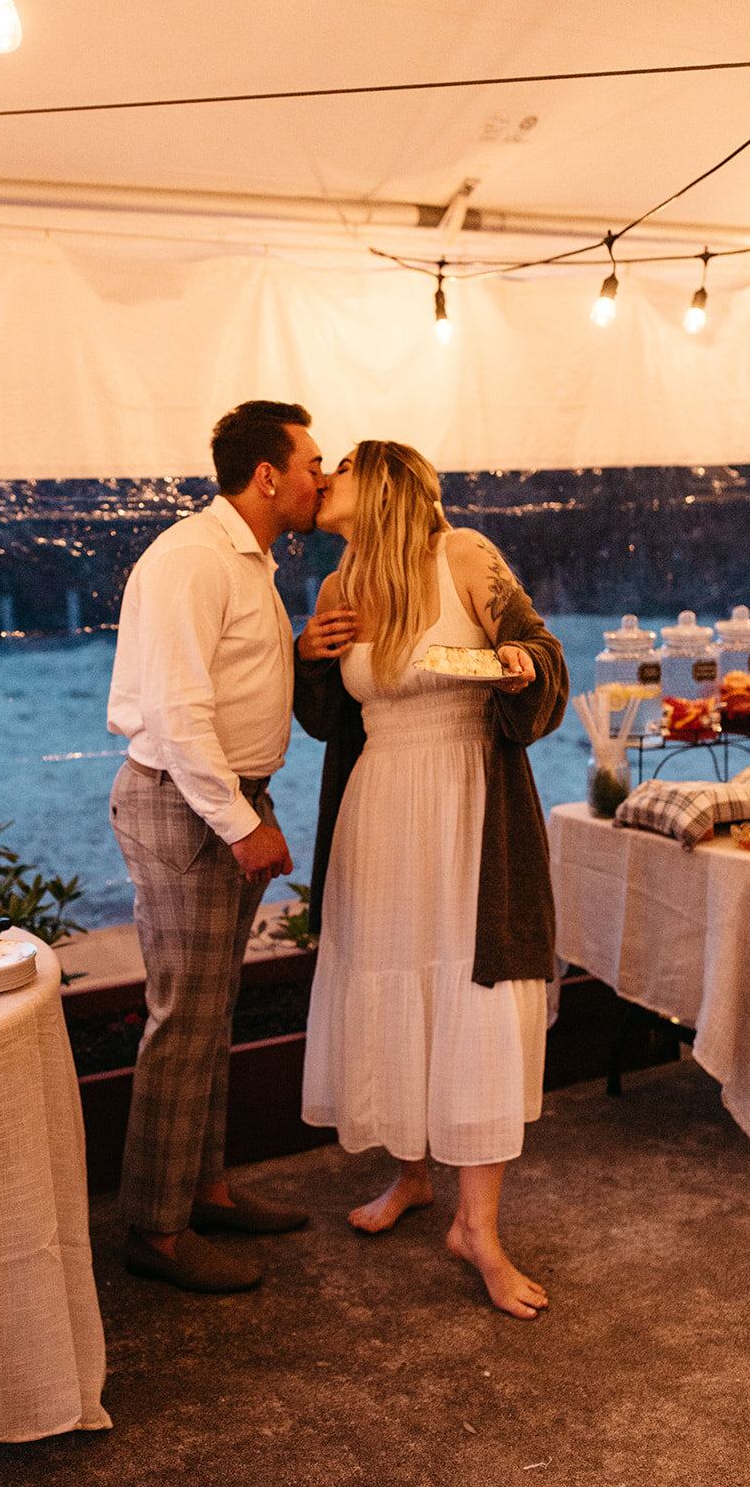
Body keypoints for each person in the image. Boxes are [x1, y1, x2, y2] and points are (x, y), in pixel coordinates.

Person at [295, 440, 568, 1319]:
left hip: (467, 806)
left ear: (379, 482)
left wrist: (524, 664)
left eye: (337, 466)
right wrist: (307, 653)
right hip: (379, 811)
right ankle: (412, 1172)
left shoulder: (465, 554)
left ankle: (476, 1228)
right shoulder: (337, 586)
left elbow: (539, 652)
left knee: (471, 993)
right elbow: (325, 719)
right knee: (395, 989)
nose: (321, 479)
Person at [107, 399, 325, 1293]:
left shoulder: (245, 562)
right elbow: (177, 715)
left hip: (217, 799)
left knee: (210, 1013)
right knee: (183, 1020)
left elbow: (226, 676)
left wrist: (302, 648)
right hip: (187, 805)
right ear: (267, 474)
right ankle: (153, 1231)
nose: (324, 476)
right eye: (313, 461)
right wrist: (243, 823)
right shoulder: (193, 559)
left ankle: (206, 1191)